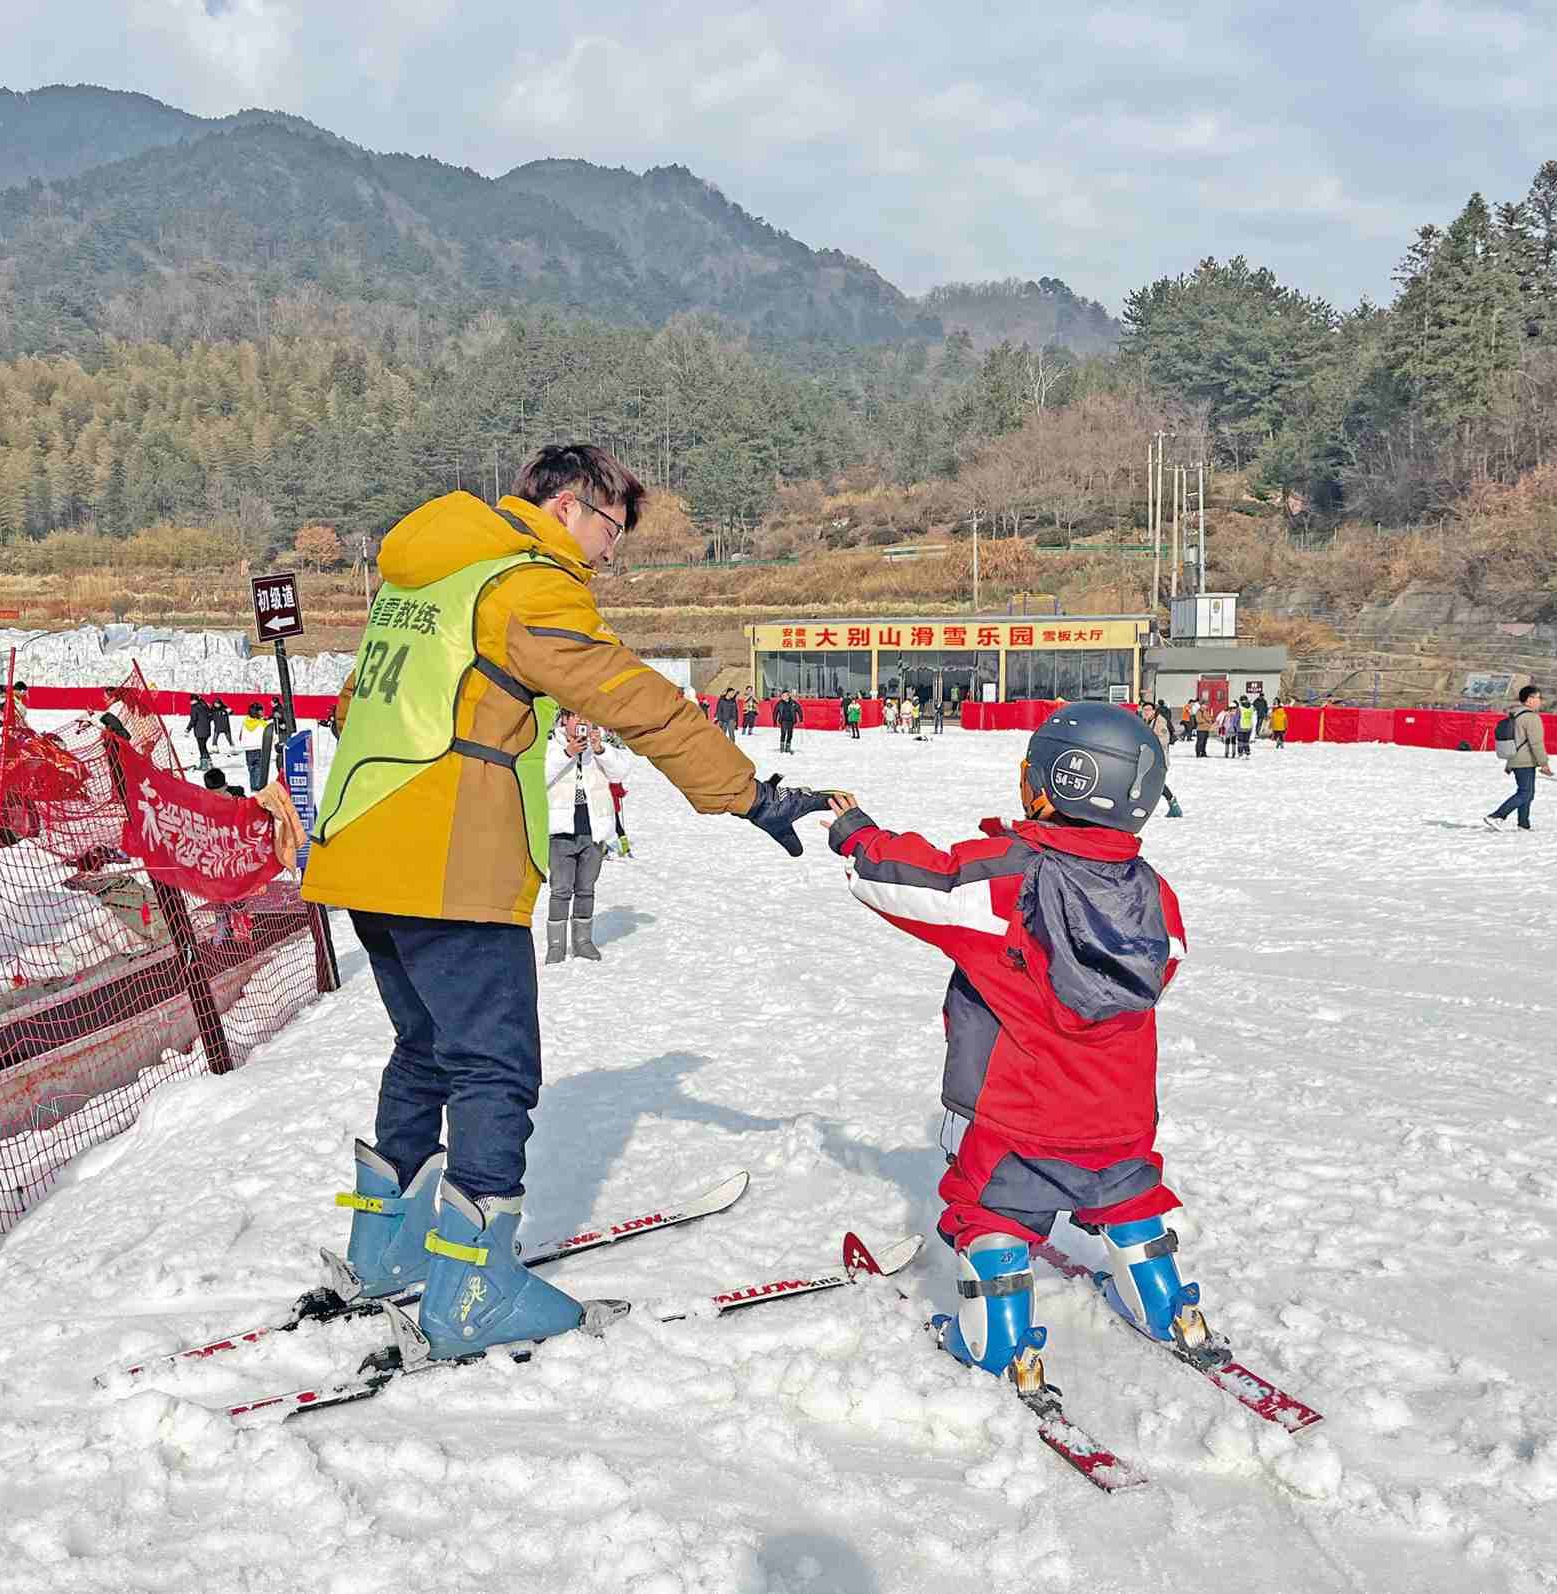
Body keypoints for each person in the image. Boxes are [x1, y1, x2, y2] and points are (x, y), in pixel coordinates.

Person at [301, 442, 830, 1363]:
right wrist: (747, 792)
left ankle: (385, 1245)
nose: (611, 556)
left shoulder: (431, 574)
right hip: (447, 858)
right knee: (495, 1067)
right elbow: (635, 698)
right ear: (572, 507)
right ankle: (473, 1286)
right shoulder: (527, 585)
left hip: (362, 846)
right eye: (613, 531)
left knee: (425, 1049)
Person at [823, 704, 1208, 1385]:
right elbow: (1166, 963)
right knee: (1124, 1194)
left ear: (1056, 782)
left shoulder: (1008, 880)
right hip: (1120, 1116)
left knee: (992, 1209)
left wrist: (856, 833)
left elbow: (906, 881)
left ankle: (997, 1342)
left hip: (1020, 1119)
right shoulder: (1155, 895)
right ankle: (1167, 1304)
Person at [542, 712, 624, 963]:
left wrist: (600, 750)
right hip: (561, 831)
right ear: (564, 720)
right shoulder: (551, 747)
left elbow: (619, 773)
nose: (581, 723)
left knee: (586, 889)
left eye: (587, 718)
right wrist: (567, 753)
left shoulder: (597, 748)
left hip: (593, 829)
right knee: (561, 889)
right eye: (575, 717)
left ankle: (583, 941)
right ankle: (556, 945)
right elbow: (539, 777)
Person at [1485, 685, 1552, 830]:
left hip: (1515, 759)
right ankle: (1497, 816)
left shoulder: (1514, 715)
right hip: (1525, 760)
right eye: (1538, 697)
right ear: (1529, 699)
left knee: (1526, 793)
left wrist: (1510, 763)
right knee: (1525, 793)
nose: (1540, 701)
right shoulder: (1532, 718)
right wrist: (1544, 763)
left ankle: (1523, 824)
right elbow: (1536, 743)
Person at [242, 701, 269, 789]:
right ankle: (257, 786)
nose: (263, 712)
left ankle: (253, 786)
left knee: (251, 768)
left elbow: (241, 735)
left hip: (248, 749)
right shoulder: (262, 723)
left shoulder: (245, 721)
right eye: (261, 711)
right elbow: (268, 736)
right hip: (258, 748)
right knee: (258, 768)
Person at [188, 693, 216, 770]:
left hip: (200, 731)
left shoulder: (195, 707)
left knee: (202, 747)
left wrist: (188, 729)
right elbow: (211, 717)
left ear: (194, 700)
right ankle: (209, 763)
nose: (190, 702)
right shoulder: (205, 705)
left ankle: (204, 765)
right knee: (203, 746)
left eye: (191, 700)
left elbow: (193, 719)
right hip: (207, 730)